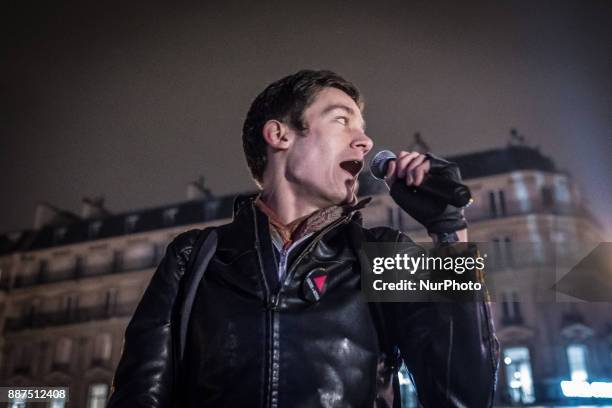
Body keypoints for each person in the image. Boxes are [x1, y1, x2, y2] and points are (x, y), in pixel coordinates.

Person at [107, 70, 498, 407]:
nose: (365, 142)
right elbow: (139, 395)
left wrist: (449, 235)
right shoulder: (194, 256)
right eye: (343, 121)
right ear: (279, 135)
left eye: (363, 130)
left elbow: (463, 397)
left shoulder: (382, 253)